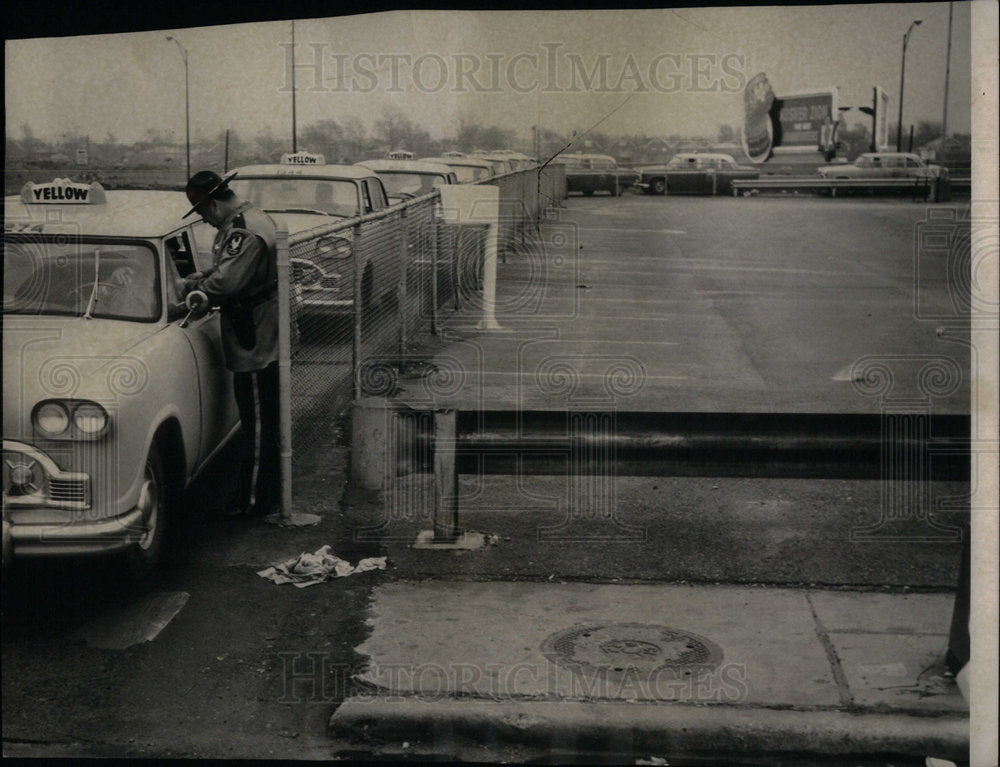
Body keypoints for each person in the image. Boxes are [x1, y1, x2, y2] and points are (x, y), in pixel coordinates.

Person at [180, 169, 281, 517]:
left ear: (213, 203)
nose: (205, 220)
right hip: (259, 329)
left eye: (202, 211)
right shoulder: (250, 217)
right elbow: (227, 271)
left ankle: (253, 500)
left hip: (254, 336)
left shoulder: (242, 231)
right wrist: (202, 276)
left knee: (257, 424)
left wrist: (194, 291)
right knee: (261, 420)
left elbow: (227, 283)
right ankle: (264, 492)